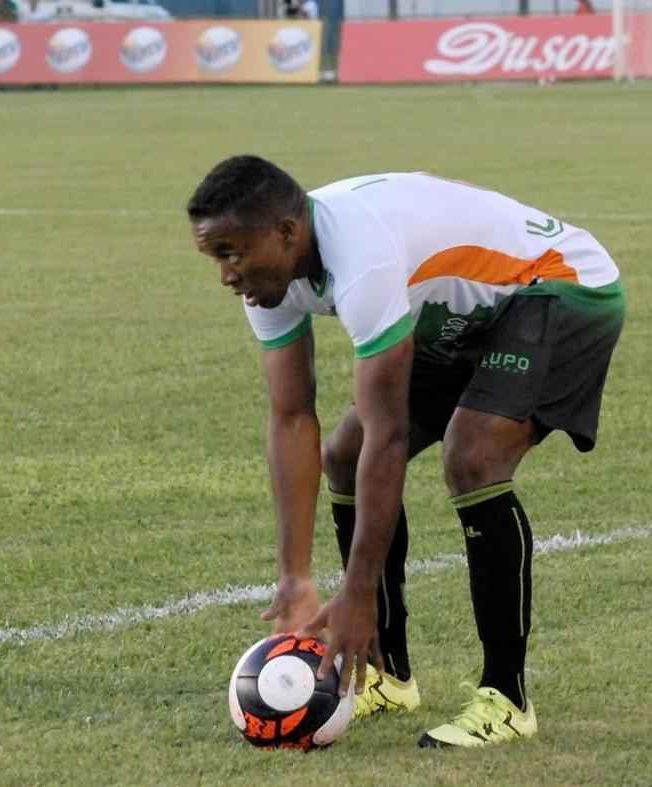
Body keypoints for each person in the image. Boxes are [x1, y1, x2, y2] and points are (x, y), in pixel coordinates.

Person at [188, 156, 625, 748]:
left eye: (231, 253)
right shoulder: (271, 275)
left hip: (559, 284)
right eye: (215, 257)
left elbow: (389, 435)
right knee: (344, 454)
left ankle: (507, 699)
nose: (225, 275)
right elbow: (292, 418)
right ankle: (388, 675)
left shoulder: (362, 258)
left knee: (472, 459)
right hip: (466, 311)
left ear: (287, 233)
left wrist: (357, 590)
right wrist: (294, 576)